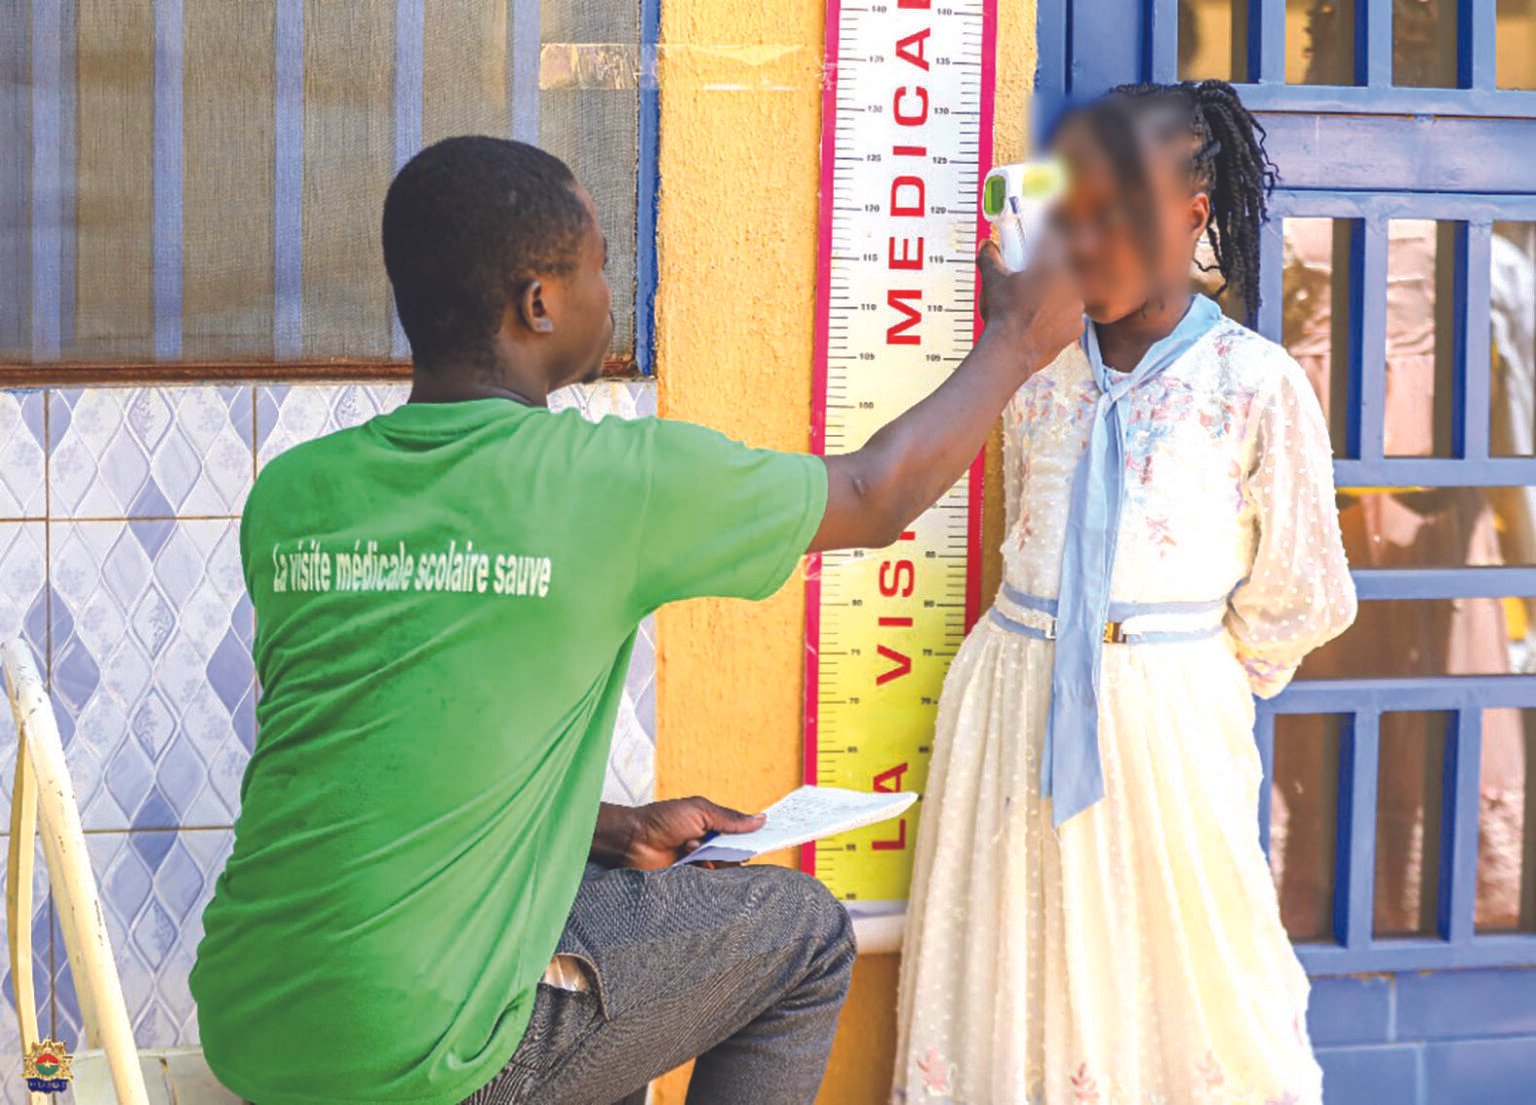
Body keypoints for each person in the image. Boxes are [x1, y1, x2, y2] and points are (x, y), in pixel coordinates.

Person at [189, 136, 1083, 1105]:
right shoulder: (609, 483)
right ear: (538, 303)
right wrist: (1017, 341)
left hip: (253, 1020)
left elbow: (389, 764)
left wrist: (614, 829)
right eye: (599, 266)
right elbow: (874, 493)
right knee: (804, 935)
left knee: (623, 947)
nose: (610, 292)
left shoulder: (293, 494)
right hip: (432, 1060)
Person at [892, 80, 1357, 1104]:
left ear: (1194, 214)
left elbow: (1303, 589)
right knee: (1015, 967)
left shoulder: (1255, 382)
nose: (1089, 237)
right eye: (1076, 208)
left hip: (1168, 723)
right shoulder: (1033, 364)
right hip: (1010, 703)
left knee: (1195, 973)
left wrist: (1173, 676)